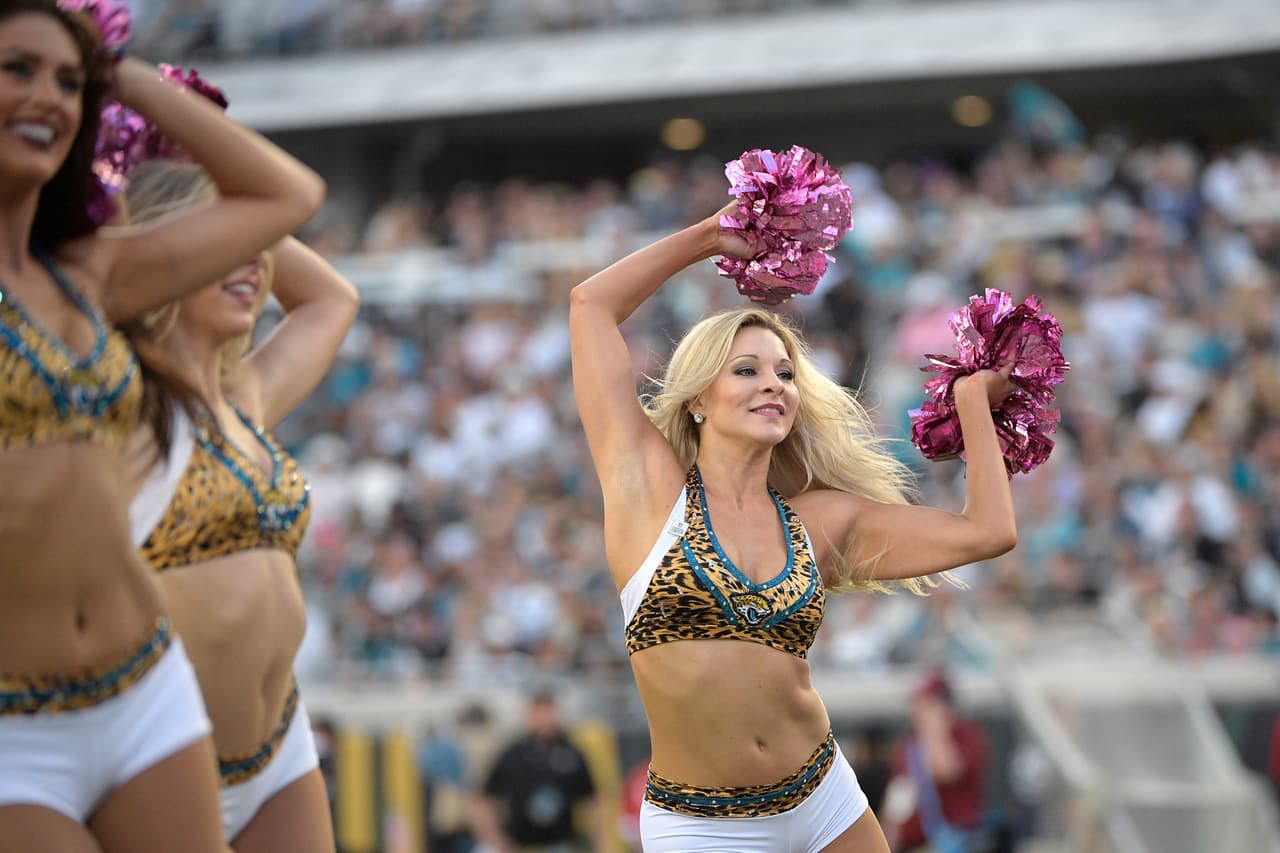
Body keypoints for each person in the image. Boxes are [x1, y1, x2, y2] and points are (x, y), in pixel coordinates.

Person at [567, 201, 1018, 852]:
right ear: (698, 397)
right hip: (703, 823)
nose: (772, 384)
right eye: (745, 369)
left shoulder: (819, 522)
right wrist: (706, 239)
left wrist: (974, 404)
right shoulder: (647, 492)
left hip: (821, 796)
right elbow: (590, 307)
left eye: (784, 372)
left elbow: (987, 532)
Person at [0, 3, 324, 851]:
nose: (48, 96)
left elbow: (287, 196)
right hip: (17, 715)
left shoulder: (89, 276)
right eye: (17, 71)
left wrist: (126, 80)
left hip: (145, 690)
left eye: (66, 80)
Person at [123, 159, 358, 850]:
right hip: (160, 753)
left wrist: (239, 216)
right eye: (221, 241)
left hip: (279, 745)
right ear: (159, 254)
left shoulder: (246, 396)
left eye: (257, 244)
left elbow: (331, 298)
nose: (253, 261)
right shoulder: (116, 403)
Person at [471, 692, 604, 853]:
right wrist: (496, 839)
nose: (546, 719)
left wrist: (598, 842)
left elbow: (592, 802)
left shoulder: (572, 754)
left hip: (559, 844)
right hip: (520, 845)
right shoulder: (514, 754)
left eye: (550, 712)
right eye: (540, 713)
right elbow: (483, 801)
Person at [881, 671, 991, 853]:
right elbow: (899, 796)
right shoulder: (909, 745)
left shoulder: (967, 735)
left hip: (961, 841)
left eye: (925, 703)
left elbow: (946, 771)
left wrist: (935, 730)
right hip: (918, 843)